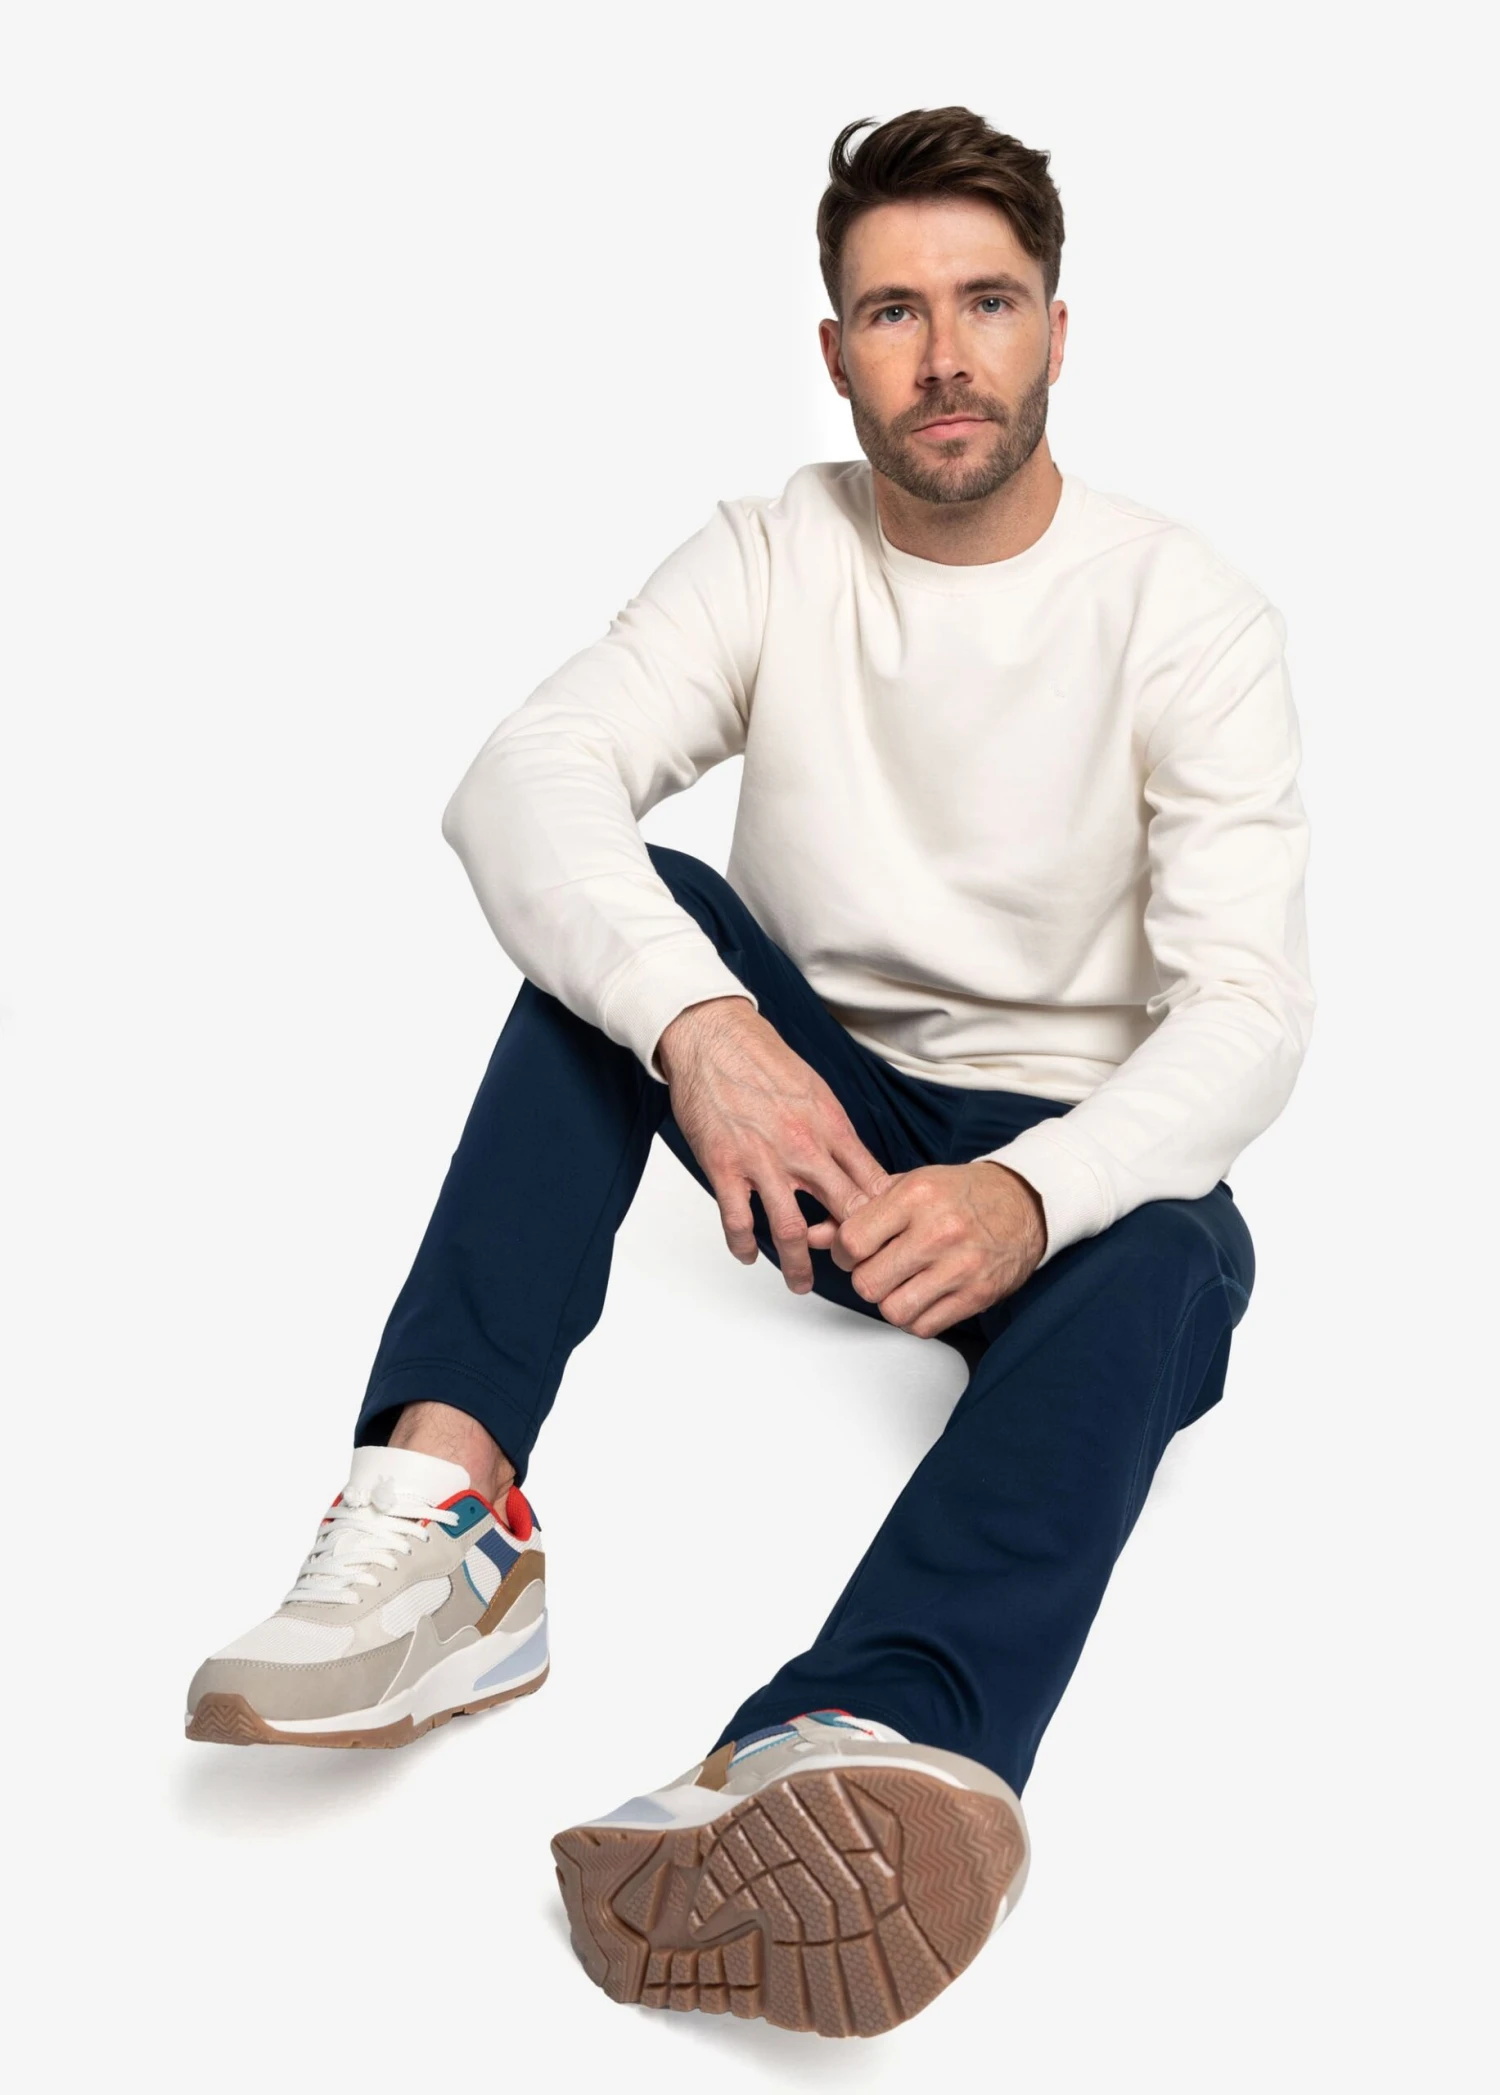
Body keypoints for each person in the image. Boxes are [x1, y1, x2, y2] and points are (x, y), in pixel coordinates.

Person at [184, 106, 1315, 2038]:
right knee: (630, 927)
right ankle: (445, 1535)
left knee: (1182, 1250)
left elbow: (1249, 1011)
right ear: (835, 351)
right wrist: (704, 1033)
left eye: (987, 304)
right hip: (805, 1136)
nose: (944, 355)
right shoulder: (775, 549)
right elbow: (523, 779)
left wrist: (1028, 1192)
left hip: (1057, 1182)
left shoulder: (1183, 610)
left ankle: (850, 1734)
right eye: (894, 311)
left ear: (1058, 331)